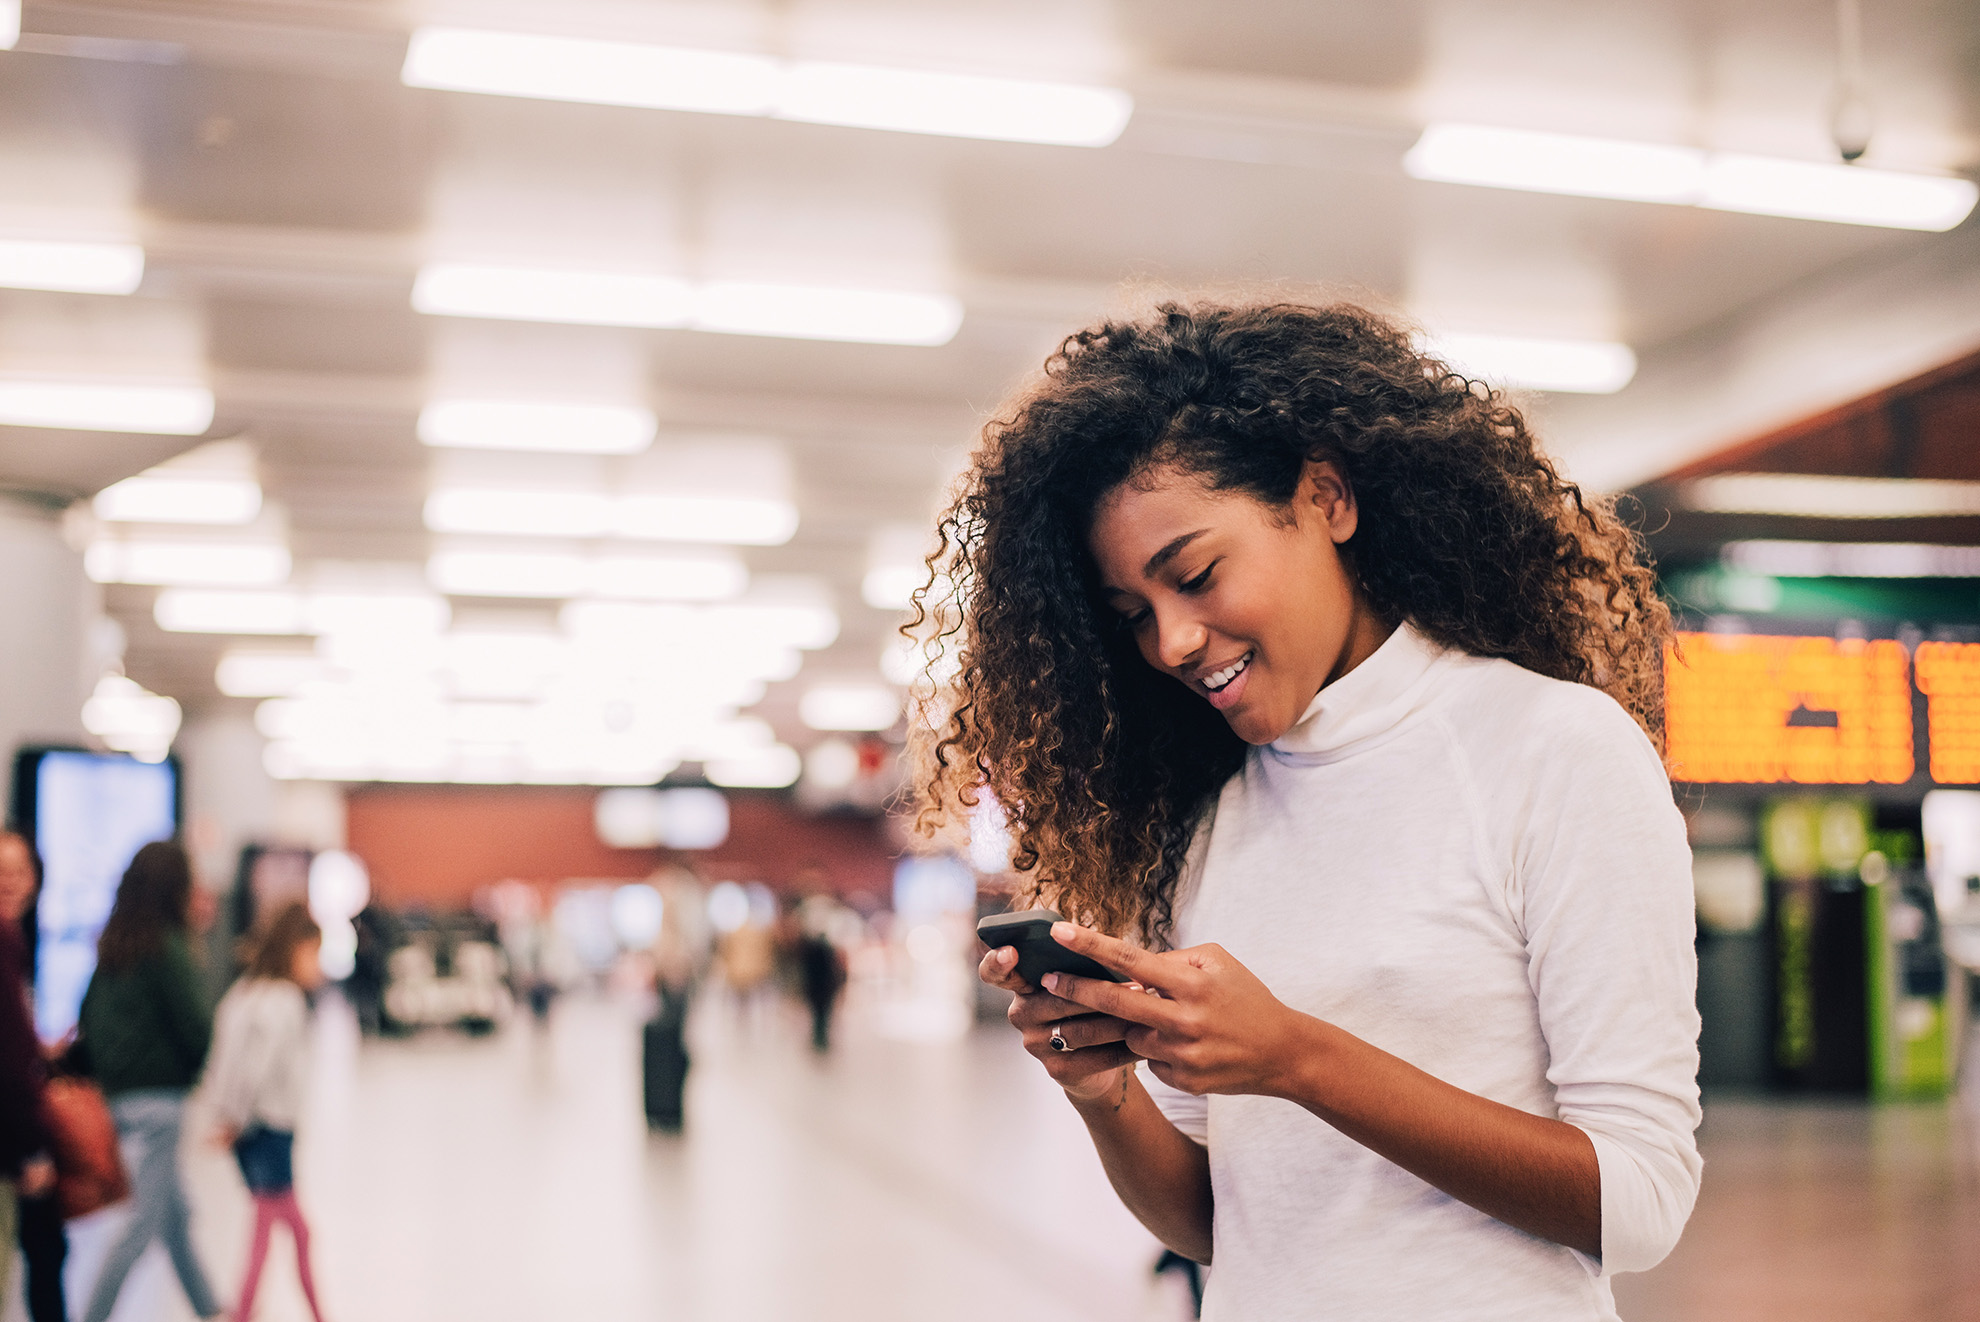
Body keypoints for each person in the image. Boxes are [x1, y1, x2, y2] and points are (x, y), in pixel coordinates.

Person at [918, 301, 1701, 1319]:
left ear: (1326, 496)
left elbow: (1641, 1202)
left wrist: (1296, 1054)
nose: (1173, 642)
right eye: (1135, 616)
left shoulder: (1555, 751)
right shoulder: (1210, 817)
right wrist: (1102, 1088)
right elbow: (1220, 1220)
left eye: (1196, 575)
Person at [75, 840, 224, 1322]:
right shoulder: (170, 947)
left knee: (174, 1218)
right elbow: (198, 1029)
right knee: (142, 1227)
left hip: (116, 1100)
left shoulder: (113, 947)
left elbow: (87, 1021)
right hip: (162, 1103)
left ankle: (213, 1311)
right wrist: (189, 1075)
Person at [206, 901, 329, 1322]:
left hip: (251, 1129)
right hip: (270, 1130)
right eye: (314, 953)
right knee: (280, 1229)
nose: (318, 966)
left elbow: (225, 1059)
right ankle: (247, 1312)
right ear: (295, 949)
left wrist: (225, 1115)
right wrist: (235, 1120)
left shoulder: (244, 992)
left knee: (284, 1228)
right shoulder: (284, 1001)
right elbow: (254, 1070)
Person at [0, 831, 59, 1321]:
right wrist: (29, 1150)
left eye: (20, 871)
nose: (11, 883)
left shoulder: (15, 941)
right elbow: (10, 1064)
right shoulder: (3, 941)